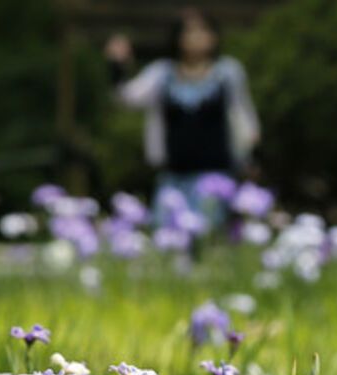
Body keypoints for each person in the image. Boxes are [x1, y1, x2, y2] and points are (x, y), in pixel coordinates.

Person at [106, 9, 259, 226]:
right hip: (174, 176)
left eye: (202, 30)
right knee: (168, 239)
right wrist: (117, 66)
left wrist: (249, 156)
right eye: (188, 31)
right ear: (177, 38)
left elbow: (245, 116)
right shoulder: (163, 74)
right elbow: (126, 98)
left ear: (214, 36)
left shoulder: (228, 72)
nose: (195, 37)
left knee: (208, 240)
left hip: (215, 176)